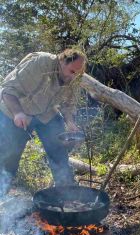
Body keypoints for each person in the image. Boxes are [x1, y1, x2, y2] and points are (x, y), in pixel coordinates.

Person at [0, 48, 87, 196]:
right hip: (14, 111)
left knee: (58, 149)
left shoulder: (74, 77)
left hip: (45, 113)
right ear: (61, 61)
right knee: (9, 157)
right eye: (72, 72)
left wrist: (70, 122)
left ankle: (66, 192)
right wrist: (18, 113)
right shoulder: (40, 62)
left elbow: (68, 104)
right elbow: (8, 90)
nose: (74, 78)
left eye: (77, 74)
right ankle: (2, 193)